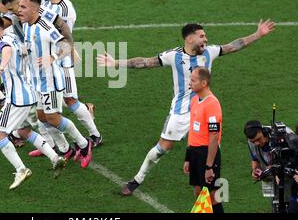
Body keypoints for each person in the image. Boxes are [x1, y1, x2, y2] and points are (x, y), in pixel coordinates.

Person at [96, 20, 276, 195]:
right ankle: (138, 178)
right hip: (181, 111)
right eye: (202, 36)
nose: (205, 39)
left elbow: (235, 45)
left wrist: (258, 34)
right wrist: (116, 63)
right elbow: (145, 62)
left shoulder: (210, 52)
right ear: (190, 39)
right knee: (162, 149)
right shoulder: (174, 56)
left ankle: (211, 186)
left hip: (204, 110)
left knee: (212, 147)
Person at [0, 15, 66, 190]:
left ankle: (21, 169)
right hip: (30, 94)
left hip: (16, 99)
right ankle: (55, 157)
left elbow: (6, 51)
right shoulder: (12, 36)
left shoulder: (2, 42)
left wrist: (2, 66)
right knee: (24, 131)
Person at [18, 0, 93, 168]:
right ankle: (66, 149)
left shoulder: (45, 28)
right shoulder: (27, 25)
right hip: (36, 80)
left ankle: (84, 144)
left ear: (35, 9)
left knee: (52, 118)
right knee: (42, 117)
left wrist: (52, 58)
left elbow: (66, 45)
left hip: (50, 81)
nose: (19, 10)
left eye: (23, 7)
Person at [36, 0, 102, 150]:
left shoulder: (66, 10)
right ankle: (57, 143)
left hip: (61, 60)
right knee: (51, 102)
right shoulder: (45, 2)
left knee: (70, 99)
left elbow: (65, 37)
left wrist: (68, 51)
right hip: (49, 59)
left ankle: (95, 135)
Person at [183, 67, 224, 213]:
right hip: (195, 153)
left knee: (212, 196)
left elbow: (214, 137)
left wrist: (209, 166)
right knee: (198, 192)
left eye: (193, 80)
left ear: (204, 83)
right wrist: (188, 157)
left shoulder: (212, 104)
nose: (189, 83)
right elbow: (193, 131)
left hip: (207, 154)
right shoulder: (195, 100)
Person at [244, 120, 298, 212]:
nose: (256, 143)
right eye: (253, 141)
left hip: (292, 178)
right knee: (277, 205)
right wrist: (254, 170)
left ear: (264, 132)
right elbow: (255, 158)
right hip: (275, 181)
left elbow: (294, 159)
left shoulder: (288, 137)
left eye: (258, 139)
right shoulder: (251, 142)